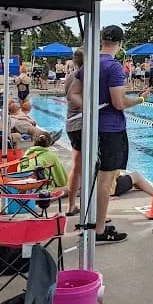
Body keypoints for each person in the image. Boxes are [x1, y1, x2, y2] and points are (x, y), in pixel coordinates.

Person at [68, 25, 150, 243]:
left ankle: (96, 221)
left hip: (92, 128)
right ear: (120, 44)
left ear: (102, 41)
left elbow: (72, 93)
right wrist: (141, 99)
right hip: (111, 130)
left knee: (96, 177)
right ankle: (100, 230)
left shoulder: (90, 63)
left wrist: (89, 107)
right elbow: (119, 103)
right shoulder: (114, 67)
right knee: (106, 180)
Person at [64, 48, 84, 216]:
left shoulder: (69, 76)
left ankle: (71, 206)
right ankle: (94, 211)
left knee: (76, 167)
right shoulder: (85, 77)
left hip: (71, 125)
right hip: (83, 124)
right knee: (92, 168)